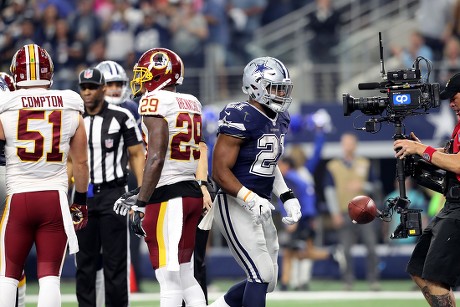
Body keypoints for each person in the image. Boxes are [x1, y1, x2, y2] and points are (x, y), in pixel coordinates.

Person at [113, 47, 209, 307]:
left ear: (160, 75)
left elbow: (155, 158)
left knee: (167, 278)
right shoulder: (192, 102)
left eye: (145, 74)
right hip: (189, 191)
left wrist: (142, 202)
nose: (141, 81)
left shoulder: (154, 101)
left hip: (169, 196)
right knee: (187, 275)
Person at [0, 43, 89, 307]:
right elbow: (81, 163)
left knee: (8, 275)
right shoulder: (71, 103)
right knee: (50, 276)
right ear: (49, 71)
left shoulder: (6, 104)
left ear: (16, 72)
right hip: (55, 199)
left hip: (18, 196)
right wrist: (81, 202)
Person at [208, 56, 301, 306]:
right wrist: (249, 198)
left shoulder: (280, 118)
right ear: (255, 87)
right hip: (233, 202)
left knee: (268, 281)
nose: (281, 93)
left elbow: (268, 164)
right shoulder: (240, 115)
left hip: (260, 205)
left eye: (284, 87)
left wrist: (287, 196)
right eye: (275, 87)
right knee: (259, 274)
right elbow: (219, 171)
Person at [74, 67, 145, 307]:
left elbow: (137, 154)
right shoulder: (73, 117)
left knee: (116, 263)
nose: (87, 92)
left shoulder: (121, 115)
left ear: (102, 88)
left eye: (92, 87)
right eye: (84, 88)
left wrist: (142, 194)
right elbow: (66, 160)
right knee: (84, 262)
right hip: (82, 194)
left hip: (114, 194)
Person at [392, 72, 460, 306]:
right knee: (419, 270)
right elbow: (451, 154)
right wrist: (424, 150)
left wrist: (422, 151)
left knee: (435, 278)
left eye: (454, 96)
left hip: (459, 210)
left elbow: (459, 163)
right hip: (451, 205)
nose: (450, 103)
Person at [323, 132, 381, 291]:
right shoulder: (333, 166)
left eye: (351, 143)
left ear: (355, 145)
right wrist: (334, 212)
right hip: (344, 211)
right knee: (346, 249)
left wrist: (363, 187)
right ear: (342, 145)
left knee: (371, 246)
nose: (348, 146)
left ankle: (373, 280)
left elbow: (376, 186)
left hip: (365, 213)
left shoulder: (365, 163)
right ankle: (348, 281)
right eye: (345, 143)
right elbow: (329, 190)